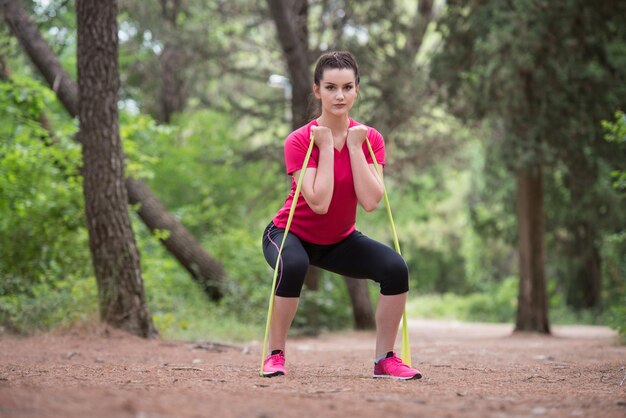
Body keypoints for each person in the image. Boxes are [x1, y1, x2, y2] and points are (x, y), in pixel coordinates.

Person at [262, 51, 421, 380]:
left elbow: (371, 201)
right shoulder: (300, 140)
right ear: (317, 90)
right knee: (294, 265)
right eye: (331, 87)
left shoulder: (369, 139)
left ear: (356, 90)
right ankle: (275, 355)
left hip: (339, 239)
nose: (340, 95)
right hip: (289, 233)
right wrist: (323, 146)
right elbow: (319, 202)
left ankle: (384, 359)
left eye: (347, 87)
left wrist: (352, 146)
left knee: (395, 269)